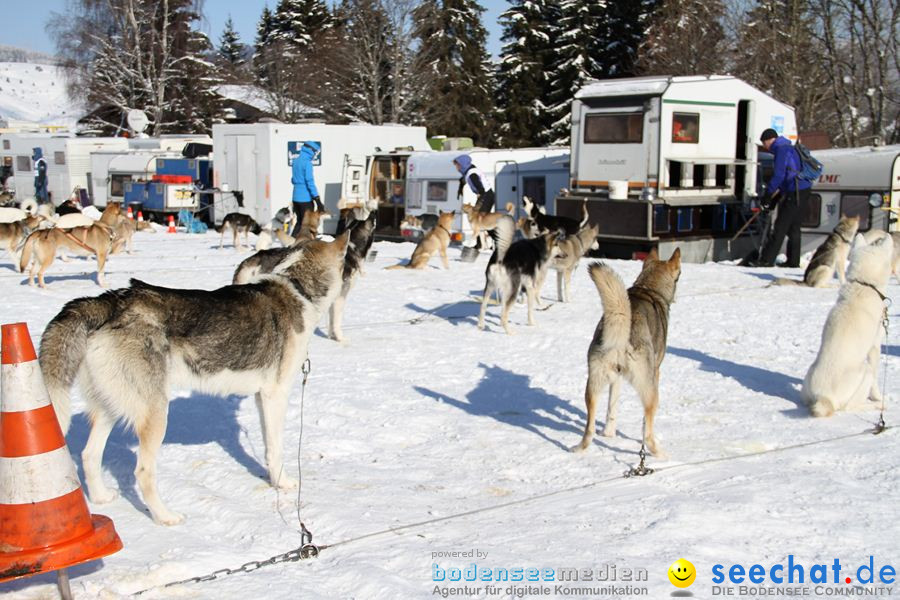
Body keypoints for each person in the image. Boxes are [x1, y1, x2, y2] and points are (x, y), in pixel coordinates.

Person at [754, 128, 812, 268]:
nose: (765, 147)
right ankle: (793, 262)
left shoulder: (781, 149)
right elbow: (788, 175)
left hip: (796, 191)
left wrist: (768, 194)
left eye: (764, 143)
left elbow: (779, 175)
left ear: (769, 140)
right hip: (803, 189)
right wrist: (775, 198)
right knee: (793, 227)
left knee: (780, 226)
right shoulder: (788, 147)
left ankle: (766, 260)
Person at [290, 141, 324, 238]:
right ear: (310, 150)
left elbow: (293, 179)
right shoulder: (307, 163)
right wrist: (317, 199)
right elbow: (310, 182)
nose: (315, 154)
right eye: (315, 152)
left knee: (300, 222)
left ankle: (291, 242)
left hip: (295, 197)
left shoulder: (295, 161)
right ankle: (303, 244)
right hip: (305, 199)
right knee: (307, 225)